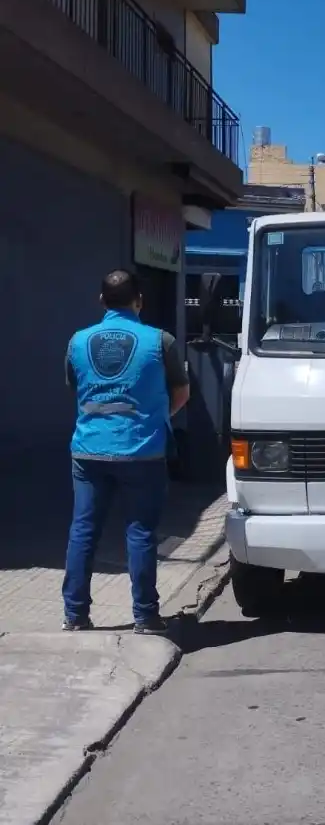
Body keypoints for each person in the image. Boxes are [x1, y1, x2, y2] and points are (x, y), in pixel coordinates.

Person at [61, 269, 190, 634]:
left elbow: (77, 387)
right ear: (140, 301)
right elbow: (181, 392)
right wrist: (154, 417)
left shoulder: (78, 341)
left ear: (101, 301)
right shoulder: (159, 341)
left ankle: (75, 615)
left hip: (89, 451)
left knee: (83, 530)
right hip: (142, 451)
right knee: (141, 533)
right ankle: (146, 617)